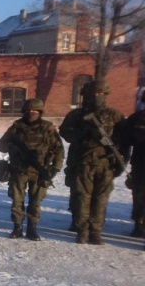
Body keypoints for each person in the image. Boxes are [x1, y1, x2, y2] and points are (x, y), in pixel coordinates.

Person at [59, 80, 127, 244]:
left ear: (105, 95)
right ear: (85, 96)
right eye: (92, 94)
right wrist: (84, 134)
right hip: (83, 163)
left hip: (106, 164)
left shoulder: (115, 116)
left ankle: (96, 231)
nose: (96, 97)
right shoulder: (76, 115)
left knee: (100, 199)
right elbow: (65, 133)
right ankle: (82, 230)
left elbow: (124, 142)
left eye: (100, 94)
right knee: (82, 197)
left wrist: (121, 164)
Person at [0, 98, 64, 240]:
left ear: (40, 112)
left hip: (40, 172)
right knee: (17, 201)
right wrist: (13, 147)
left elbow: (58, 150)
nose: (32, 113)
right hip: (19, 170)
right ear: (24, 111)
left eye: (35, 111)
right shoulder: (17, 127)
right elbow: (1, 145)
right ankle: (17, 227)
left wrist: (55, 169)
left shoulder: (48, 128)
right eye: (29, 111)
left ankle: (32, 228)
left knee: (35, 202)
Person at [121, 108, 145, 238]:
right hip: (140, 164)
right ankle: (139, 224)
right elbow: (125, 140)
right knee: (139, 195)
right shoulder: (136, 118)